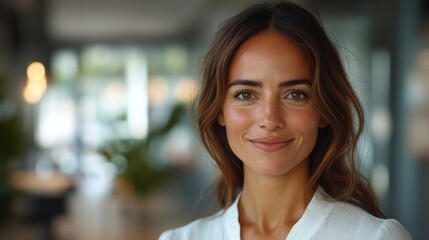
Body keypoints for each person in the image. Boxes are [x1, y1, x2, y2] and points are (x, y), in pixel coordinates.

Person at [159, 1, 412, 239]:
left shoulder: (373, 236)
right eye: (245, 94)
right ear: (220, 111)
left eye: (295, 94)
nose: (270, 119)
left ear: (324, 110)